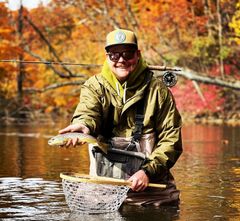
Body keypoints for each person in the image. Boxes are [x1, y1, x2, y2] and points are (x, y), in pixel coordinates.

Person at [59, 29, 183, 206]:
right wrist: (83, 126)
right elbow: (88, 111)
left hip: (152, 190)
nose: (121, 60)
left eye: (127, 54)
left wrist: (147, 172)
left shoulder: (159, 92)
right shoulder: (94, 86)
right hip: (103, 189)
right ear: (107, 56)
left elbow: (171, 140)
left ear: (138, 54)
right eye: (114, 55)